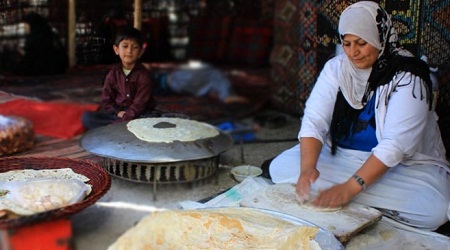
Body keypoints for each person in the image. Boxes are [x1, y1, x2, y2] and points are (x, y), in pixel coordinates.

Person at [268, 1, 450, 231]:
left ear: (379, 37)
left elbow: (396, 145)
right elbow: (314, 121)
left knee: (435, 208)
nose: (353, 52)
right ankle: (361, 200)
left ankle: (345, 196)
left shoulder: (408, 77)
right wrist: (307, 169)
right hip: (343, 158)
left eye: (362, 43)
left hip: (401, 167)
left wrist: (350, 188)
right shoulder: (337, 69)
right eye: (347, 43)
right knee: (281, 167)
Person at [82, 26, 155, 130]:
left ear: (140, 52)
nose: (129, 51)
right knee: (87, 118)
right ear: (116, 49)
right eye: (125, 46)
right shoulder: (112, 74)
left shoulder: (144, 75)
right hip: (118, 114)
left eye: (135, 47)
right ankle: (120, 128)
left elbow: (140, 104)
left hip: (139, 114)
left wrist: (127, 116)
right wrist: (118, 113)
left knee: (150, 121)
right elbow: (106, 101)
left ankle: (117, 128)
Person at [151, 60, 249, 104]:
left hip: (176, 85)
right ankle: (226, 95)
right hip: (176, 80)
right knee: (213, 73)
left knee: (211, 78)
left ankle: (225, 94)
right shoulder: (145, 78)